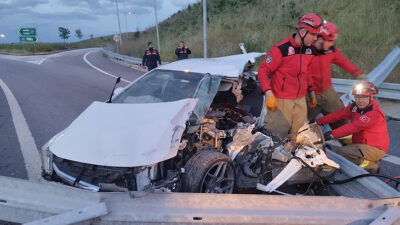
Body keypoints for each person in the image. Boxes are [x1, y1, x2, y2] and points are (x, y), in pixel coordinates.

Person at [257, 13, 323, 138]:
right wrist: (269, 93)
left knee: (299, 137)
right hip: (281, 101)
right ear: (303, 32)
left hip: (301, 101)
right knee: (276, 137)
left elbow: (306, 72)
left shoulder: (310, 50)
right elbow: (263, 71)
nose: (315, 38)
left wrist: (311, 92)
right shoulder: (281, 49)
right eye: (313, 34)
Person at [316, 80, 389, 173]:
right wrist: (318, 122)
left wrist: (331, 135)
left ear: (371, 97)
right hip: (362, 142)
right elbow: (338, 115)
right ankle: (367, 159)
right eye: (357, 97)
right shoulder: (355, 107)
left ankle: (372, 166)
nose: (360, 101)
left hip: (375, 148)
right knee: (345, 142)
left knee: (343, 153)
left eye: (364, 97)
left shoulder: (374, 113)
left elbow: (353, 127)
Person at [308, 22, 363, 129]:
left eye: (332, 41)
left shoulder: (330, 51)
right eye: (329, 41)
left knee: (341, 120)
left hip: (327, 92)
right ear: (319, 38)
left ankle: (349, 144)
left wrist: (358, 74)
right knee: (299, 125)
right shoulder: (306, 51)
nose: (331, 44)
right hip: (308, 95)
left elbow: (343, 61)